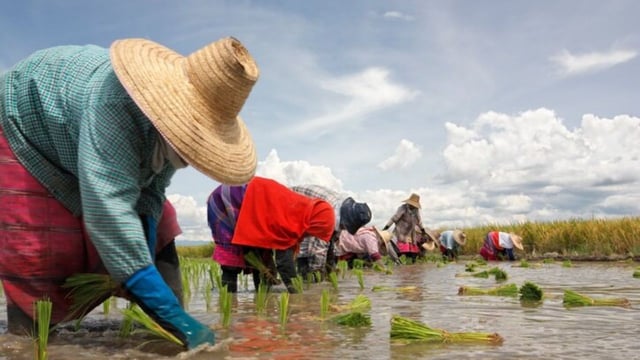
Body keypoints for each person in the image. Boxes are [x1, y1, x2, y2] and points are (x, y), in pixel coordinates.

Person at [0, 36, 260, 349]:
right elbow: (108, 213)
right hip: (25, 128)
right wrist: (156, 298)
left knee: (164, 222)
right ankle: (27, 344)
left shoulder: (170, 136)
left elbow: (150, 200)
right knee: (42, 246)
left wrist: (144, 262)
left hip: (79, 138)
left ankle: (169, 323)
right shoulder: (114, 107)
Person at [207, 176, 336, 293]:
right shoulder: (289, 218)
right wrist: (296, 292)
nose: (308, 236)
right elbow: (283, 261)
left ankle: (261, 299)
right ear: (313, 224)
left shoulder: (299, 213)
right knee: (231, 265)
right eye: (312, 232)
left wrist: (269, 271)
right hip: (229, 200)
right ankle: (230, 305)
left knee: (261, 260)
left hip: (252, 205)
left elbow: (280, 253)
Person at [290, 184, 372, 279]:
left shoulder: (342, 211)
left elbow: (334, 242)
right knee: (307, 261)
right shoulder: (328, 214)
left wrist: (331, 266)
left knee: (329, 255)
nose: (345, 228)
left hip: (309, 213)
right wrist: (317, 275)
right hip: (293, 207)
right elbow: (317, 248)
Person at [383, 193, 428, 262]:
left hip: (410, 234)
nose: (412, 206)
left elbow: (419, 222)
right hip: (400, 233)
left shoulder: (416, 211)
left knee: (412, 255)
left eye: (414, 205)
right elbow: (393, 219)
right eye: (412, 204)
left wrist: (423, 231)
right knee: (399, 251)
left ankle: (410, 269)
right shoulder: (403, 208)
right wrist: (385, 228)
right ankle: (396, 264)